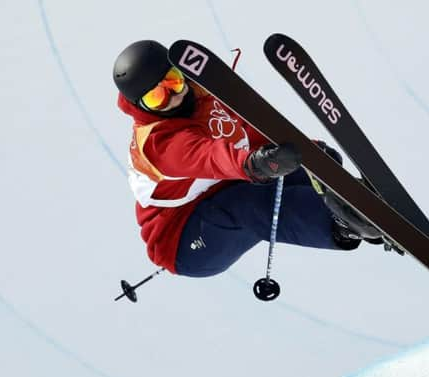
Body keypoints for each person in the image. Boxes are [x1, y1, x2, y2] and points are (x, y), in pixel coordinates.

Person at [113, 40, 386, 278]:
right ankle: (341, 227)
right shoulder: (157, 143)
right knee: (247, 203)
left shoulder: (201, 93)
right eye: (157, 97)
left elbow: (246, 132)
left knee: (312, 164)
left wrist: (308, 154)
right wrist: (254, 164)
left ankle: (357, 205)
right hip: (184, 241)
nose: (174, 95)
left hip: (225, 186)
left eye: (173, 80)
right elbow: (210, 156)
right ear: (141, 106)